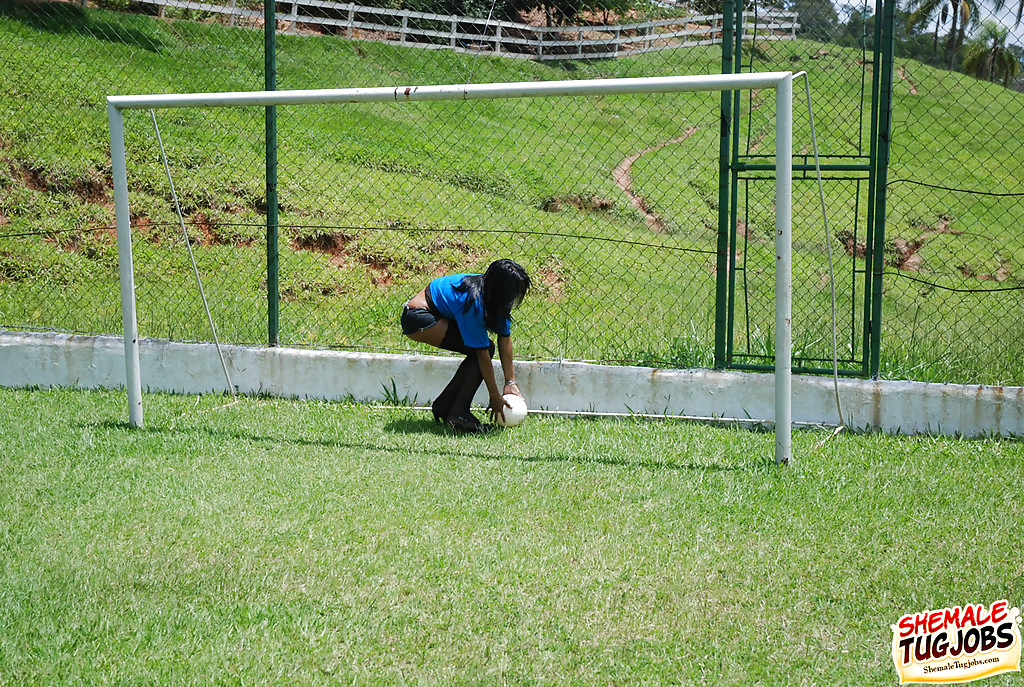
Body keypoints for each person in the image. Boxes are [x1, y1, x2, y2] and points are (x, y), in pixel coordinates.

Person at [401, 259, 531, 433]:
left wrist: (510, 382)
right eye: (512, 293)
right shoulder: (474, 302)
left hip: (437, 315)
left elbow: (505, 338)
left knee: (484, 349)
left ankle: (444, 405)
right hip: (418, 317)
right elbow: (482, 354)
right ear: (501, 290)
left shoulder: (495, 296)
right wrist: (494, 396)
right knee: (483, 350)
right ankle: (457, 413)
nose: (514, 297)